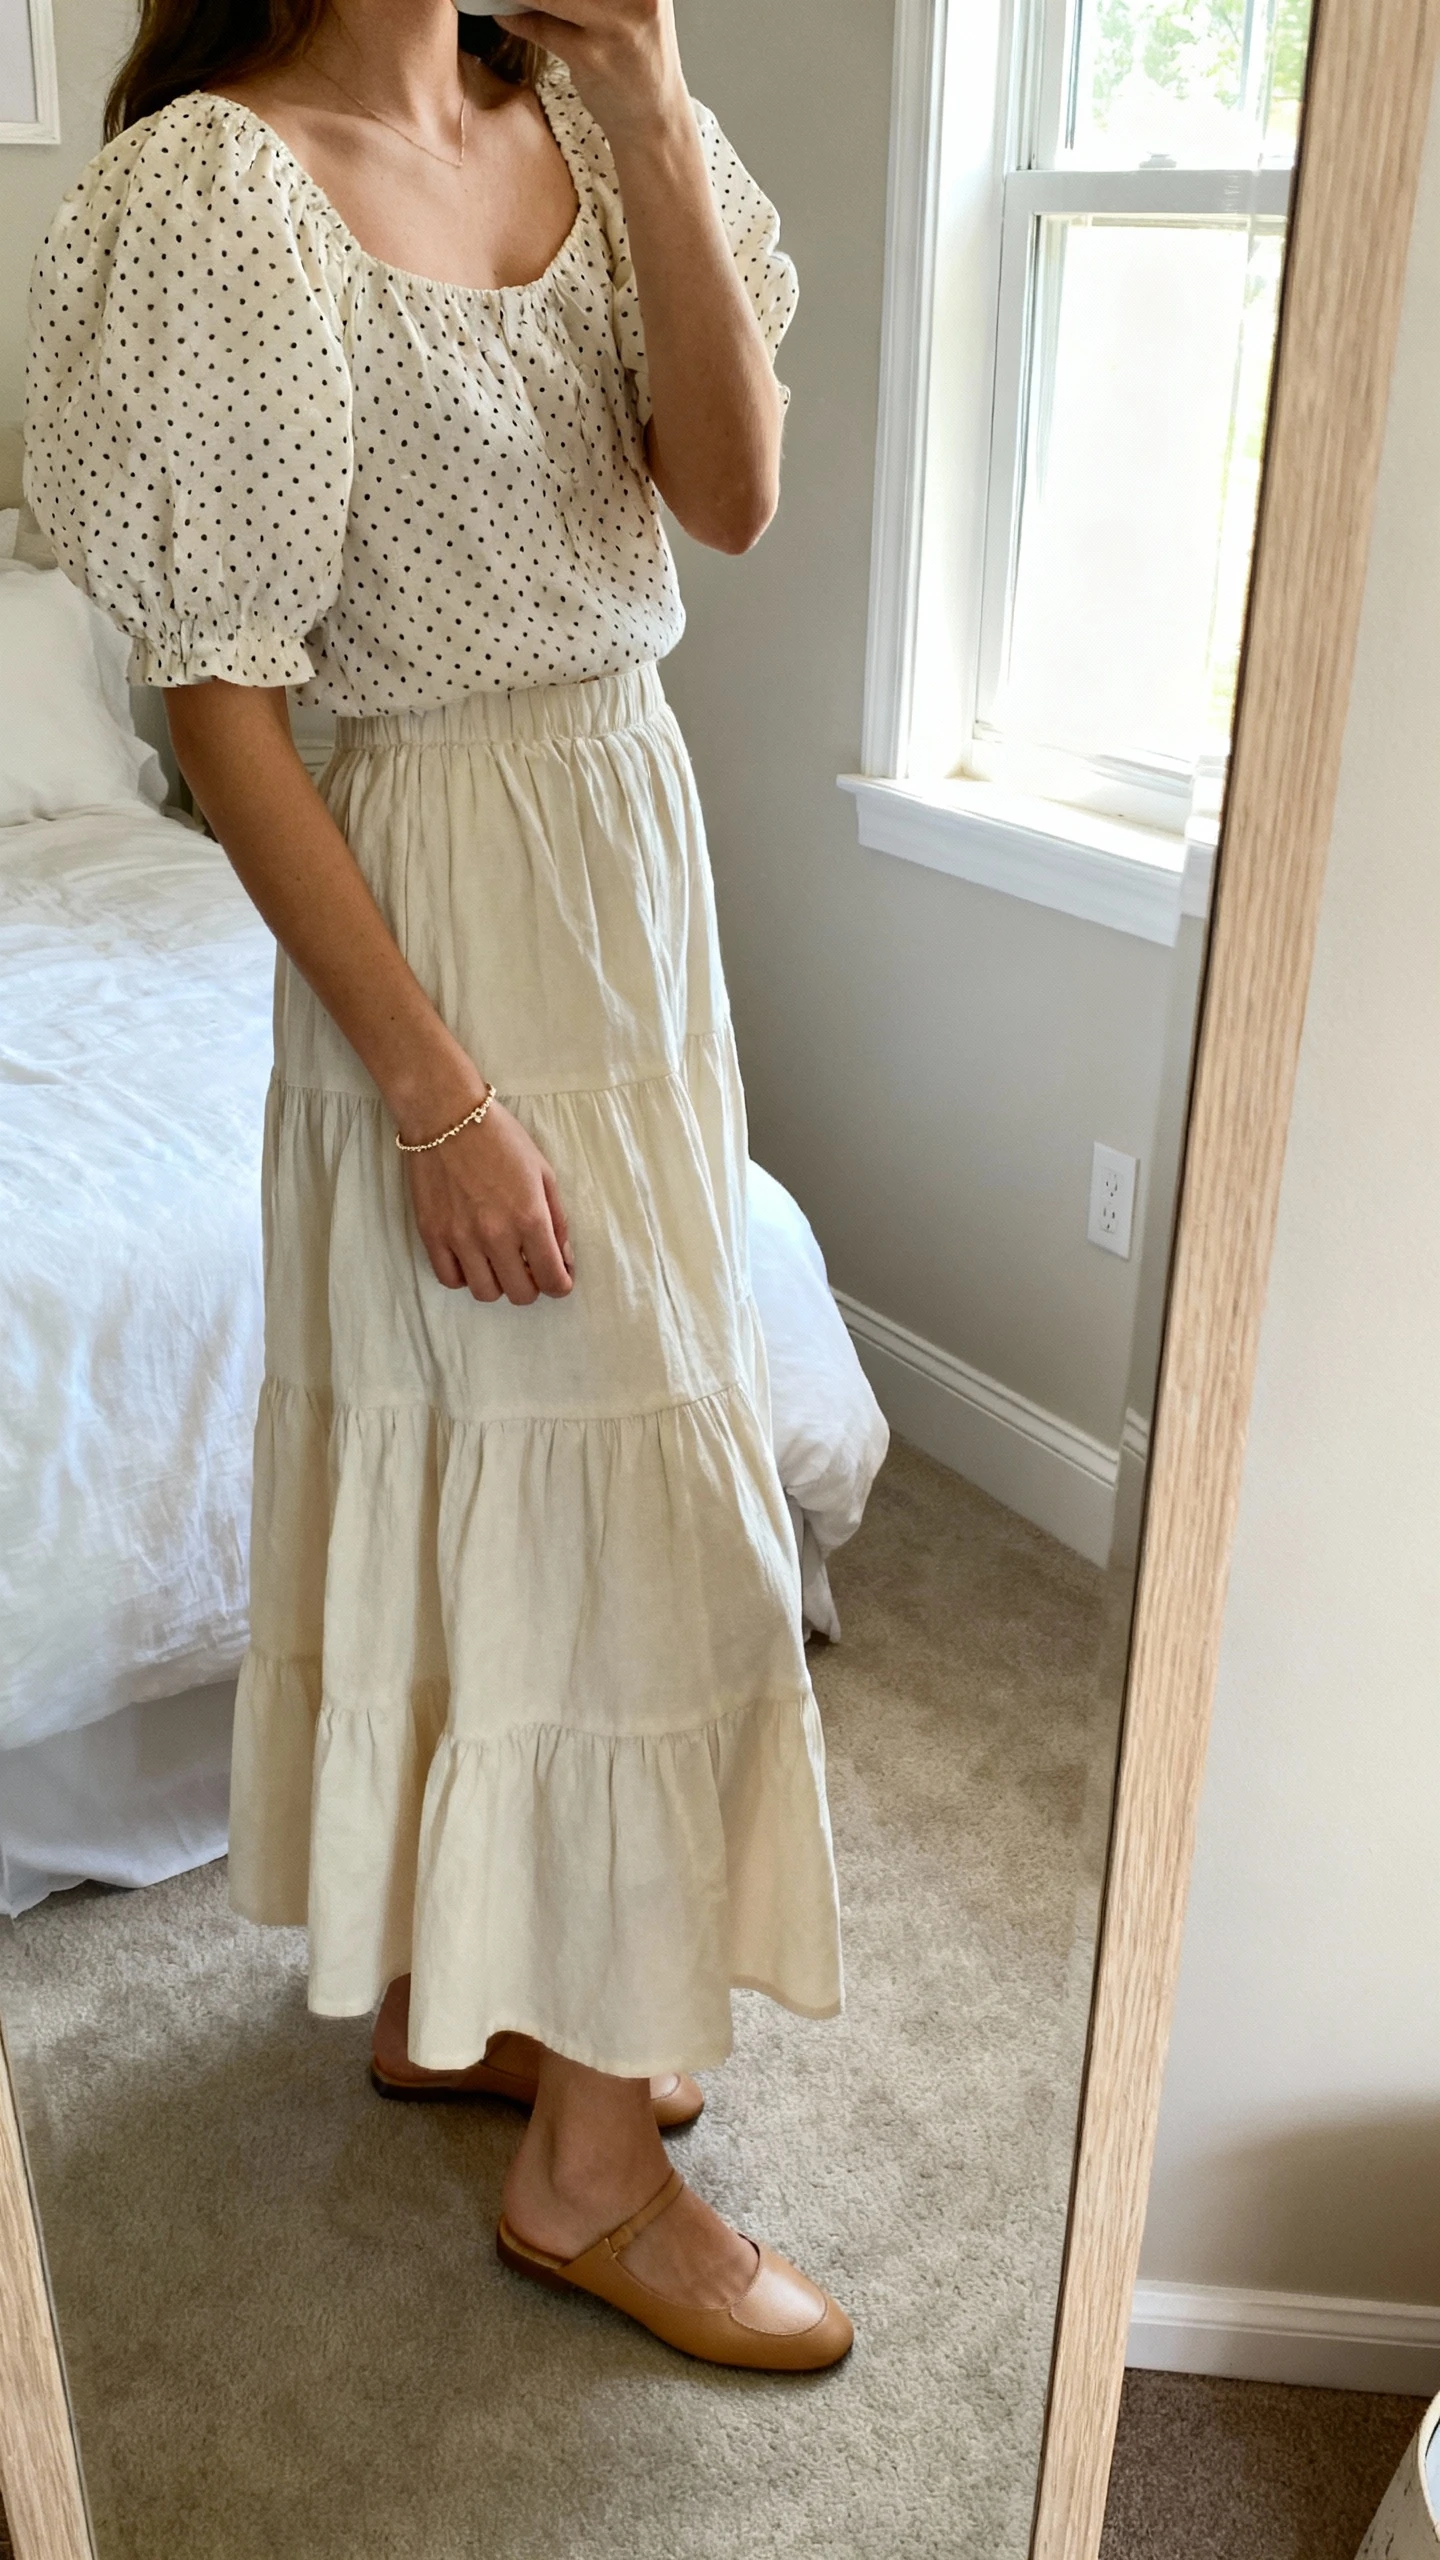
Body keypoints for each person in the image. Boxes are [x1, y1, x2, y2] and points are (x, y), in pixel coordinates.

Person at [25, 0, 851, 2369]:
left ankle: (469, 1996)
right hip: (439, 905)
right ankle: (591, 2172)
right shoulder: (221, 187)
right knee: (647, 1518)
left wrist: (664, 114)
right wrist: (434, 1091)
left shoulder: (593, 114)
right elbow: (221, 710)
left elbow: (733, 490)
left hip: (630, 857)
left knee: (564, 1469)